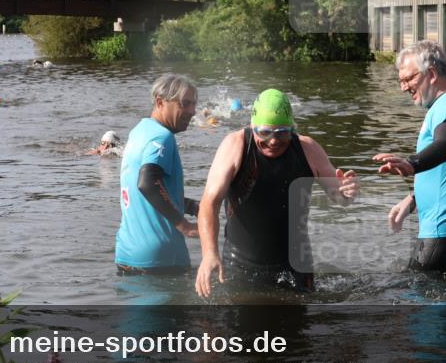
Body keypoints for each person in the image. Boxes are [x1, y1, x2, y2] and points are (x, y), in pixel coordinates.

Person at [195, 89, 359, 297]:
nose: (273, 141)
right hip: (241, 265)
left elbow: (339, 197)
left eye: (282, 132)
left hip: (296, 266)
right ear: (253, 127)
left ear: (292, 128)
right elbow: (209, 203)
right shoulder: (236, 145)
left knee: (297, 327)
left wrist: (347, 192)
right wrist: (209, 254)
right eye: (265, 132)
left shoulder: (308, 149)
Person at [373, 40, 446, 274]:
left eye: (408, 79)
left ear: (431, 73)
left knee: (411, 301)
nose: (403, 87)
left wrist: (410, 164)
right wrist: (414, 199)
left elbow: (444, 146)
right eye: (400, 81)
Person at [115, 74, 200, 274]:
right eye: (185, 104)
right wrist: (185, 225)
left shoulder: (139, 131)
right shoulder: (163, 137)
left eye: (193, 104)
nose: (192, 111)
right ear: (160, 103)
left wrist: (191, 206)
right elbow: (148, 183)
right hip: (162, 261)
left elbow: (145, 192)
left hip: (127, 255)